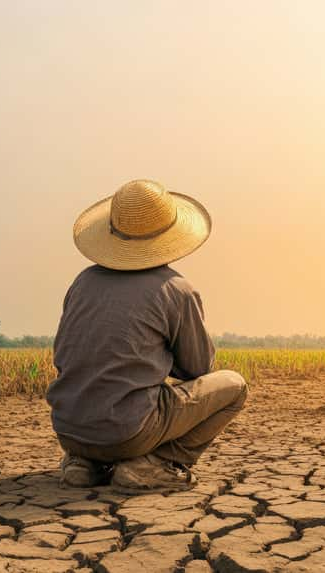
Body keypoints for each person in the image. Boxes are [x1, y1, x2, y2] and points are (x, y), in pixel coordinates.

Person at [46, 179, 247, 490]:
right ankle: (158, 463)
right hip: (128, 434)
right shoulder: (176, 290)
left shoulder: (82, 282)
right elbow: (198, 368)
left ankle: (84, 465)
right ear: (170, 237)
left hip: (69, 432)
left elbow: (65, 355)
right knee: (234, 385)